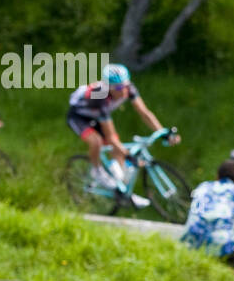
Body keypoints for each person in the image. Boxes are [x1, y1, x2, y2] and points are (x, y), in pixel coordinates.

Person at [67, 63, 179, 208]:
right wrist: (127, 154)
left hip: (99, 116)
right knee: (97, 142)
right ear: (108, 88)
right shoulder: (99, 97)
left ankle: (122, 191)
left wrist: (162, 132)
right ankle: (97, 171)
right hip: (80, 117)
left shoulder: (127, 88)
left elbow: (144, 113)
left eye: (125, 85)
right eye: (119, 88)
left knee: (118, 153)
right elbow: (110, 135)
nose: (124, 90)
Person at [180, 159, 234, 281]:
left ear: (217, 177)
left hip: (190, 243)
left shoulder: (203, 187)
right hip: (222, 245)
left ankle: (217, 270)